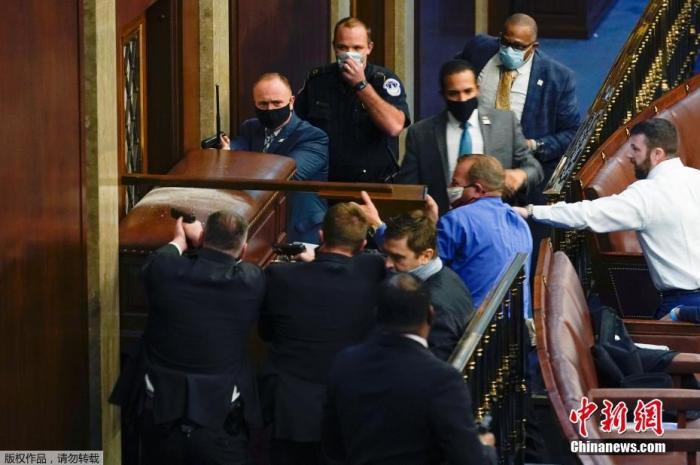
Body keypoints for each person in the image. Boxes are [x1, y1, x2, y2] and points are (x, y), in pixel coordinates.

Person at [515, 118, 700, 319]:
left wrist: (532, 211)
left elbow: (589, 214)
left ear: (657, 154)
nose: (629, 155)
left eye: (636, 149)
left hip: (682, 306)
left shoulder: (647, 194)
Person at [321, 273, 497, 465]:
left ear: (377, 315)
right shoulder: (442, 379)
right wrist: (486, 450)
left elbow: (333, 445)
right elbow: (469, 459)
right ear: (430, 315)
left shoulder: (346, 363)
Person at [259, 202, 385, 465]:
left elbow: (266, 332)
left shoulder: (280, 277)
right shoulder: (374, 271)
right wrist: (378, 226)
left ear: (321, 235)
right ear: (363, 245)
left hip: (292, 409)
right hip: (348, 409)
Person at [137, 210, 265, 465]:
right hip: (220, 424)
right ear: (243, 250)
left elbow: (161, 259)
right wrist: (206, 243)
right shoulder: (251, 281)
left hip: (161, 414)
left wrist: (179, 241)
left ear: (204, 237)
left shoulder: (163, 269)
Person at [456, 13, 580, 203]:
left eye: (519, 46)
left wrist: (534, 145)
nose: (509, 50)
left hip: (519, 179)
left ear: (534, 47)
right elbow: (454, 78)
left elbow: (571, 134)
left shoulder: (557, 79)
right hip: (473, 170)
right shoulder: (478, 49)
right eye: (505, 42)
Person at [396, 59, 543, 214]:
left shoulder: (505, 123)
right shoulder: (421, 134)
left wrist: (521, 175)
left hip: (494, 219)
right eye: (454, 93)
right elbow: (407, 189)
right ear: (443, 94)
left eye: (468, 91)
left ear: (477, 89)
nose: (462, 99)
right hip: (442, 221)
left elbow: (534, 168)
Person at [295, 17, 411, 183]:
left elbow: (394, 127)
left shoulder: (384, 80)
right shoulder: (318, 80)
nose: (349, 54)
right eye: (343, 48)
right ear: (334, 48)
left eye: (357, 48)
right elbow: (296, 126)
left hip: (375, 184)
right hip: (327, 182)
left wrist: (361, 85)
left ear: (369, 48)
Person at [359, 199, 475, 360]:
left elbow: (435, 363)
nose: (388, 264)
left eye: (398, 257)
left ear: (426, 256)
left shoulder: (433, 303)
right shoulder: (449, 276)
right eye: (387, 254)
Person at [220, 72, 328, 243]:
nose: (270, 109)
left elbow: (288, 174)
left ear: (291, 102)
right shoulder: (251, 127)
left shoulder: (313, 136)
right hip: (259, 225)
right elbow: (238, 147)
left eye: (276, 103)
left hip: (298, 227)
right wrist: (226, 151)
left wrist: (236, 161)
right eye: (263, 104)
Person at [438, 155, 533, 313]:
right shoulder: (520, 223)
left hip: (471, 325)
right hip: (516, 324)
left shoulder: (456, 220)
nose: (449, 187)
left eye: (455, 183)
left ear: (477, 189)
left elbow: (425, 268)